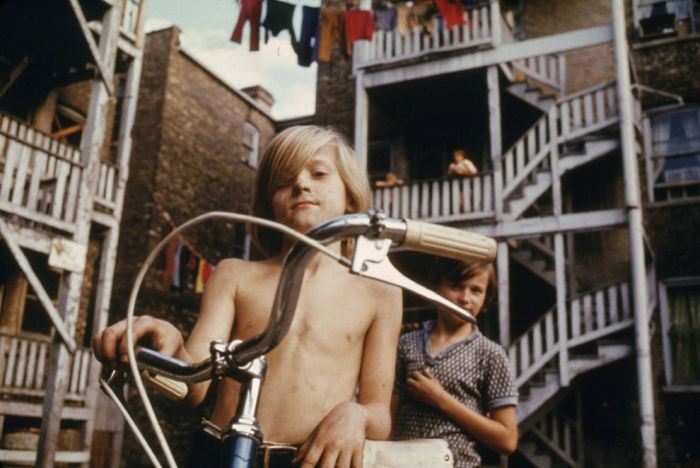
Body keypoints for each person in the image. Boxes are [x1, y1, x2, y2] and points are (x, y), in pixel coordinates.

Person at [93, 126, 403, 467]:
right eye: (284, 180)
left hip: (309, 460)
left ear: (351, 198)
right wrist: (167, 341)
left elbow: (380, 414)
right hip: (221, 453)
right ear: (269, 205)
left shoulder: (380, 291)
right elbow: (192, 387)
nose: (301, 183)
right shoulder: (234, 275)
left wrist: (356, 415)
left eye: (318, 173)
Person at [391, 258, 518, 468]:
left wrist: (441, 400)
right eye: (455, 286)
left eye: (476, 290)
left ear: (486, 298)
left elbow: (507, 440)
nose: (465, 298)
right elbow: (389, 418)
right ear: (435, 288)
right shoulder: (407, 344)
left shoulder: (490, 354)